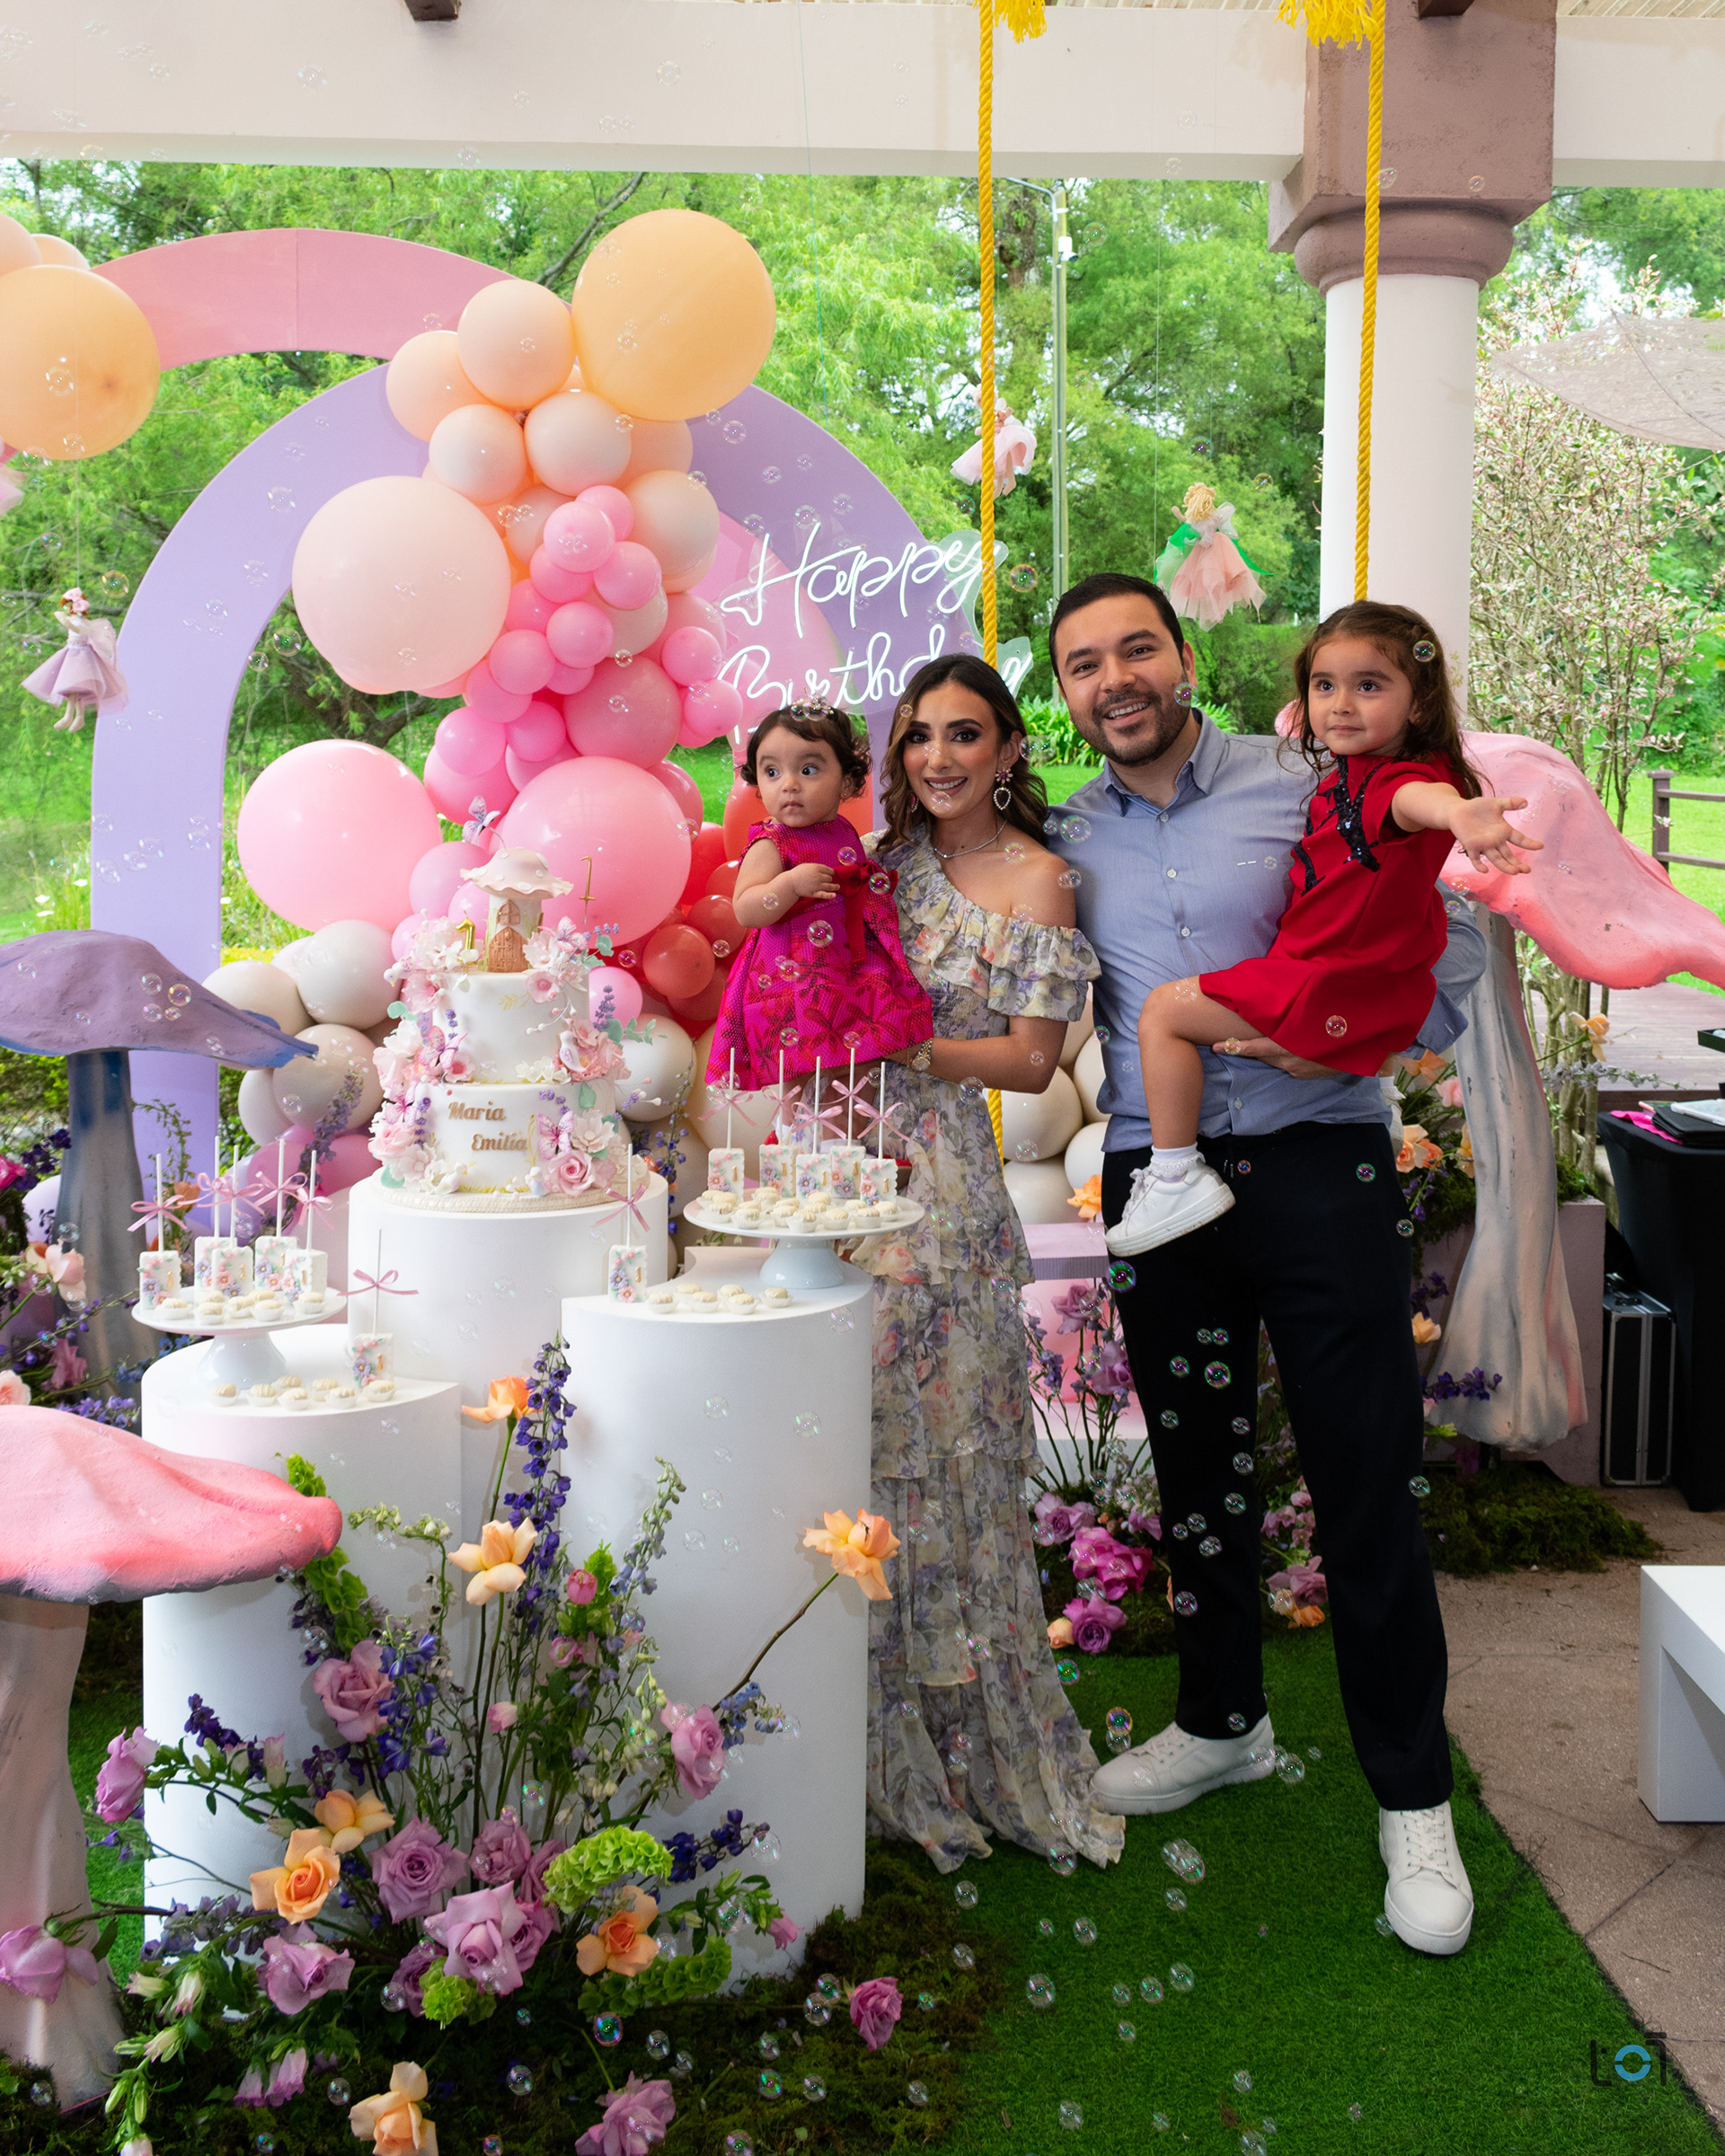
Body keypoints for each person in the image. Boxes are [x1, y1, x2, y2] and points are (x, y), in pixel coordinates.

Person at [1045, 575, 1486, 1957]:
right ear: (1064, 691)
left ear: (1183, 657)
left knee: (1365, 1476)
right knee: (1197, 1470)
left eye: (1136, 649)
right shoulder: (1064, 834)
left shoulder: (1307, 783)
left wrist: (1364, 1038)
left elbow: (1450, 936)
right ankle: (1222, 1721)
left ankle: (1412, 1796)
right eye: (1082, 664)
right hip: (1159, 1177)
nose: (1114, 678)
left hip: (1319, 1159)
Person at [844, 652, 1123, 1875]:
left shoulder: (1039, 879)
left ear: (1009, 749)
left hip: (945, 1193)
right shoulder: (883, 865)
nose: (938, 757)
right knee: (867, 1466)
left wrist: (900, 1047)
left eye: (964, 734)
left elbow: (1028, 1060)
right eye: (918, 736)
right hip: (842, 1179)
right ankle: (868, 1748)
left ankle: (976, 1753)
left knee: (956, 1464)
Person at [1111, 605, 1540, 1255]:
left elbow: (1412, 802)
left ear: (1420, 702)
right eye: (1324, 685)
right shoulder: (1344, 778)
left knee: (1164, 1011)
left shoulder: (1392, 782)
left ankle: (1173, 1176)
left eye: (1368, 685)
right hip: (1335, 981)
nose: (1341, 703)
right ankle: (1374, 1098)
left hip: (1322, 987)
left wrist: (1457, 814)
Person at [706, 702, 931, 1087]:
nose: (789, 784)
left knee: (858, 1061)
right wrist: (789, 885)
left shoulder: (841, 830)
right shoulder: (772, 842)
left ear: (847, 782)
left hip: (845, 967)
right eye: (772, 772)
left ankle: (852, 1116)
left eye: (808, 770)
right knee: (801, 1068)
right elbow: (745, 909)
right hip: (793, 978)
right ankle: (803, 1120)